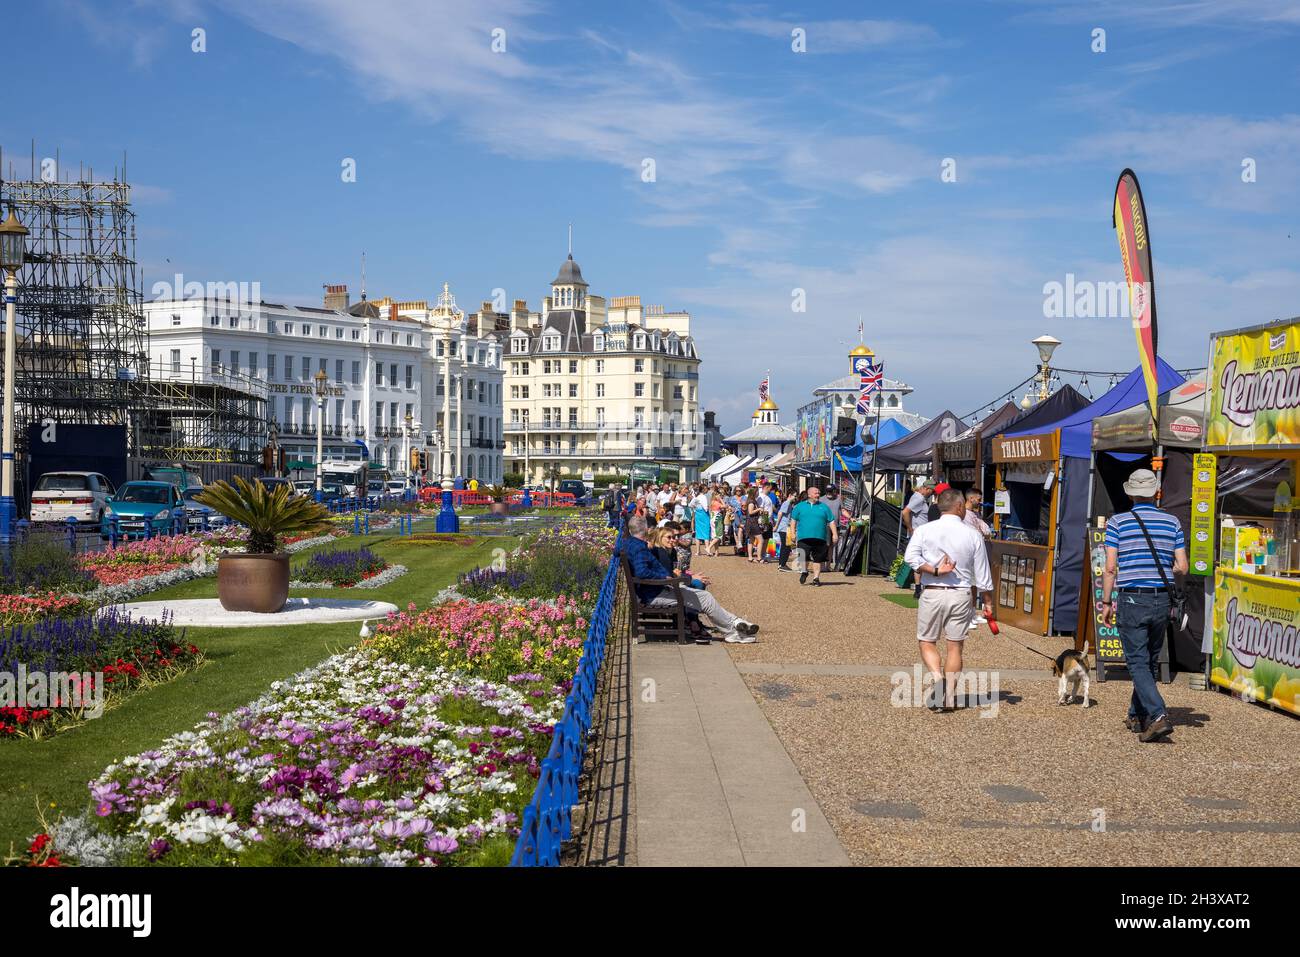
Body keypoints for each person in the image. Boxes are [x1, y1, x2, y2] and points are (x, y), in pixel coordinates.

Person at [1101, 468, 1187, 743]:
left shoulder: (1118, 522)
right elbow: (1182, 567)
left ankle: (1158, 715)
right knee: (1148, 660)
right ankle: (1136, 715)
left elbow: (1111, 568)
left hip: (1131, 597)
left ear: (1130, 493)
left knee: (1137, 661)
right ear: (1155, 492)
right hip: (1161, 597)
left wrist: (1105, 602)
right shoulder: (1172, 522)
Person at [904, 488, 994, 711]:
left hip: (933, 590)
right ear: (960, 506)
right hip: (961, 594)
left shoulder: (924, 530)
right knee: (955, 647)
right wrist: (988, 603)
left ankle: (937, 679)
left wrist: (934, 570)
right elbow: (983, 574)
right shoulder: (972, 534)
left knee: (927, 640)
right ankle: (950, 697)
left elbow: (910, 558)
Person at [624, 516, 758, 643]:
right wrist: (665, 577)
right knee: (705, 598)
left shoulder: (629, 543)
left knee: (704, 596)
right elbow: (642, 572)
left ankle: (734, 623)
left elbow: (619, 552)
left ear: (631, 530)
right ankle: (732, 631)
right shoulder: (640, 548)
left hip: (654, 589)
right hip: (655, 592)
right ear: (646, 529)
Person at [790, 486, 838, 586]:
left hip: (820, 537)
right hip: (804, 537)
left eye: (818, 493)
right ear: (809, 495)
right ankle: (804, 571)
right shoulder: (800, 506)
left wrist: (835, 534)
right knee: (803, 556)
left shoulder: (824, 507)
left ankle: (816, 578)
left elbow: (831, 521)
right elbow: (793, 520)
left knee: (818, 559)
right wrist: (793, 533)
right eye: (816, 493)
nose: (818, 495)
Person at [773, 489, 797, 572]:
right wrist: (776, 526)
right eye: (794, 495)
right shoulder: (786, 503)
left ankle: (782, 564)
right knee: (786, 546)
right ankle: (782, 564)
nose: (795, 497)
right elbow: (780, 513)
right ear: (790, 495)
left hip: (786, 527)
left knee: (786, 546)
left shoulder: (789, 504)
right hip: (783, 528)